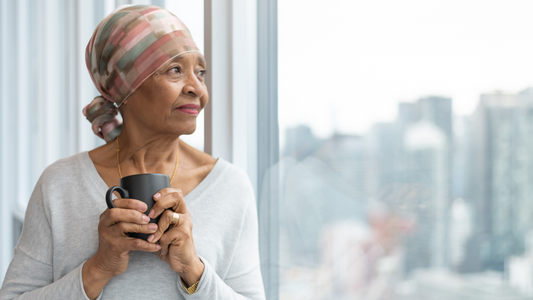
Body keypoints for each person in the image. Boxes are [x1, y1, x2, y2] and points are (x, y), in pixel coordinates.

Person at [0, 5, 265, 300]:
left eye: (200, 71)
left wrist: (194, 270)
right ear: (124, 88)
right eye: (175, 70)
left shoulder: (230, 186)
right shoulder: (59, 184)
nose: (197, 88)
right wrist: (98, 268)